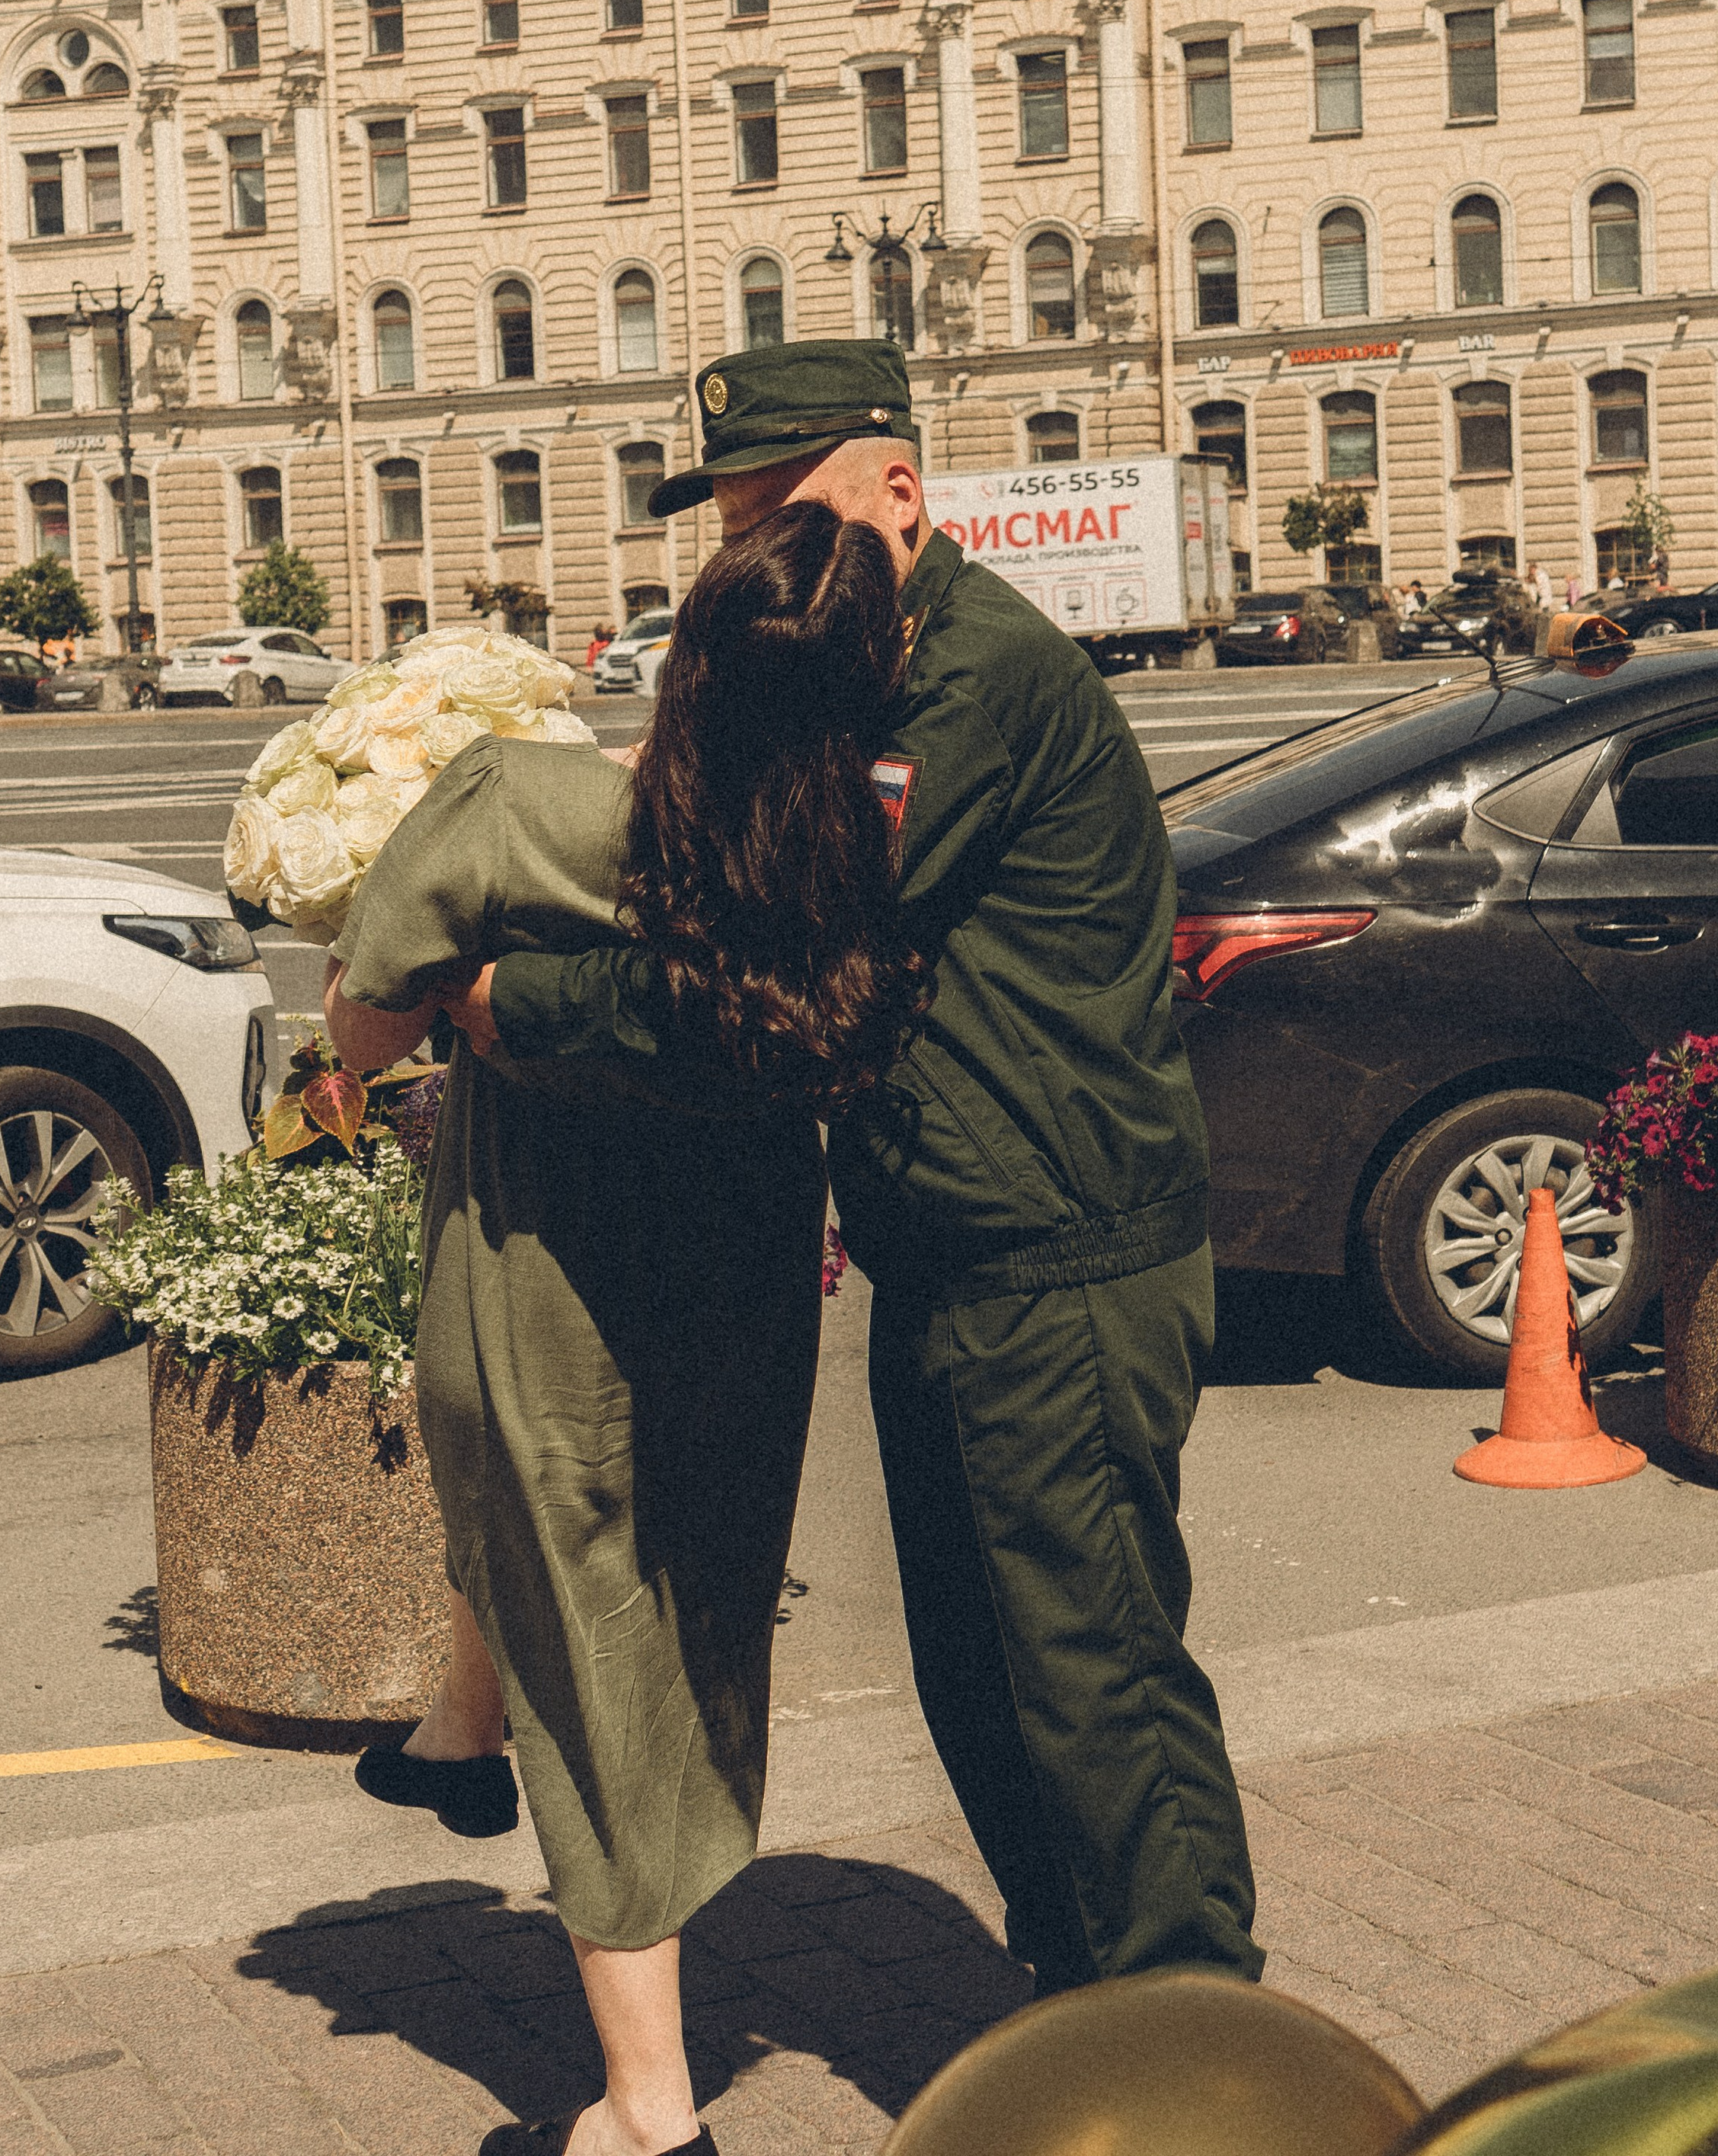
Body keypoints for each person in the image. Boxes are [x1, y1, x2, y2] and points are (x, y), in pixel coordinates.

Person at [471, 340, 1263, 1998]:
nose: (756, 556)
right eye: (736, 528)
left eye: (784, 514)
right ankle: (1078, 2004)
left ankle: (1201, 2047)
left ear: (899, 494)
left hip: (1058, 1256)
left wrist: (509, 1001)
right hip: (960, 1252)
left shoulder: (960, 683)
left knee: (1092, 1672)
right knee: (981, 1673)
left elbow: (778, 962)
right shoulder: (860, 674)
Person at [325, 503, 928, 2156]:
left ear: (680, 663)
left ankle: (650, 2114)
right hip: (738, 1301)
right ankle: (460, 1731)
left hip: (539, 1291)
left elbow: (359, 1022)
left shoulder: (517, 805)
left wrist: (456, 999)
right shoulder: (860, 856)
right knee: (669, 1601)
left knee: (592, 1652)